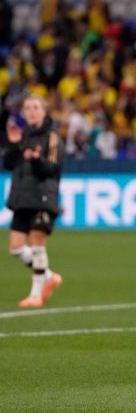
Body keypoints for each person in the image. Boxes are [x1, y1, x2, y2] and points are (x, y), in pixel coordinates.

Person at [3, 95, 63, 308]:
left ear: (44, 111)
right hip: (22, 197)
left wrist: (37, 160)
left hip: (43, 196)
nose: (31, 111)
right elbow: (8, 164)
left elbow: (53, 169)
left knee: (37, 243)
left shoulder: (52, 136)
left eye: (35, 107)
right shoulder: (23, 135)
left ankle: (36, 295)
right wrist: (13, 145)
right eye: (27, 108)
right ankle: (49, 276)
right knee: (16, 248)